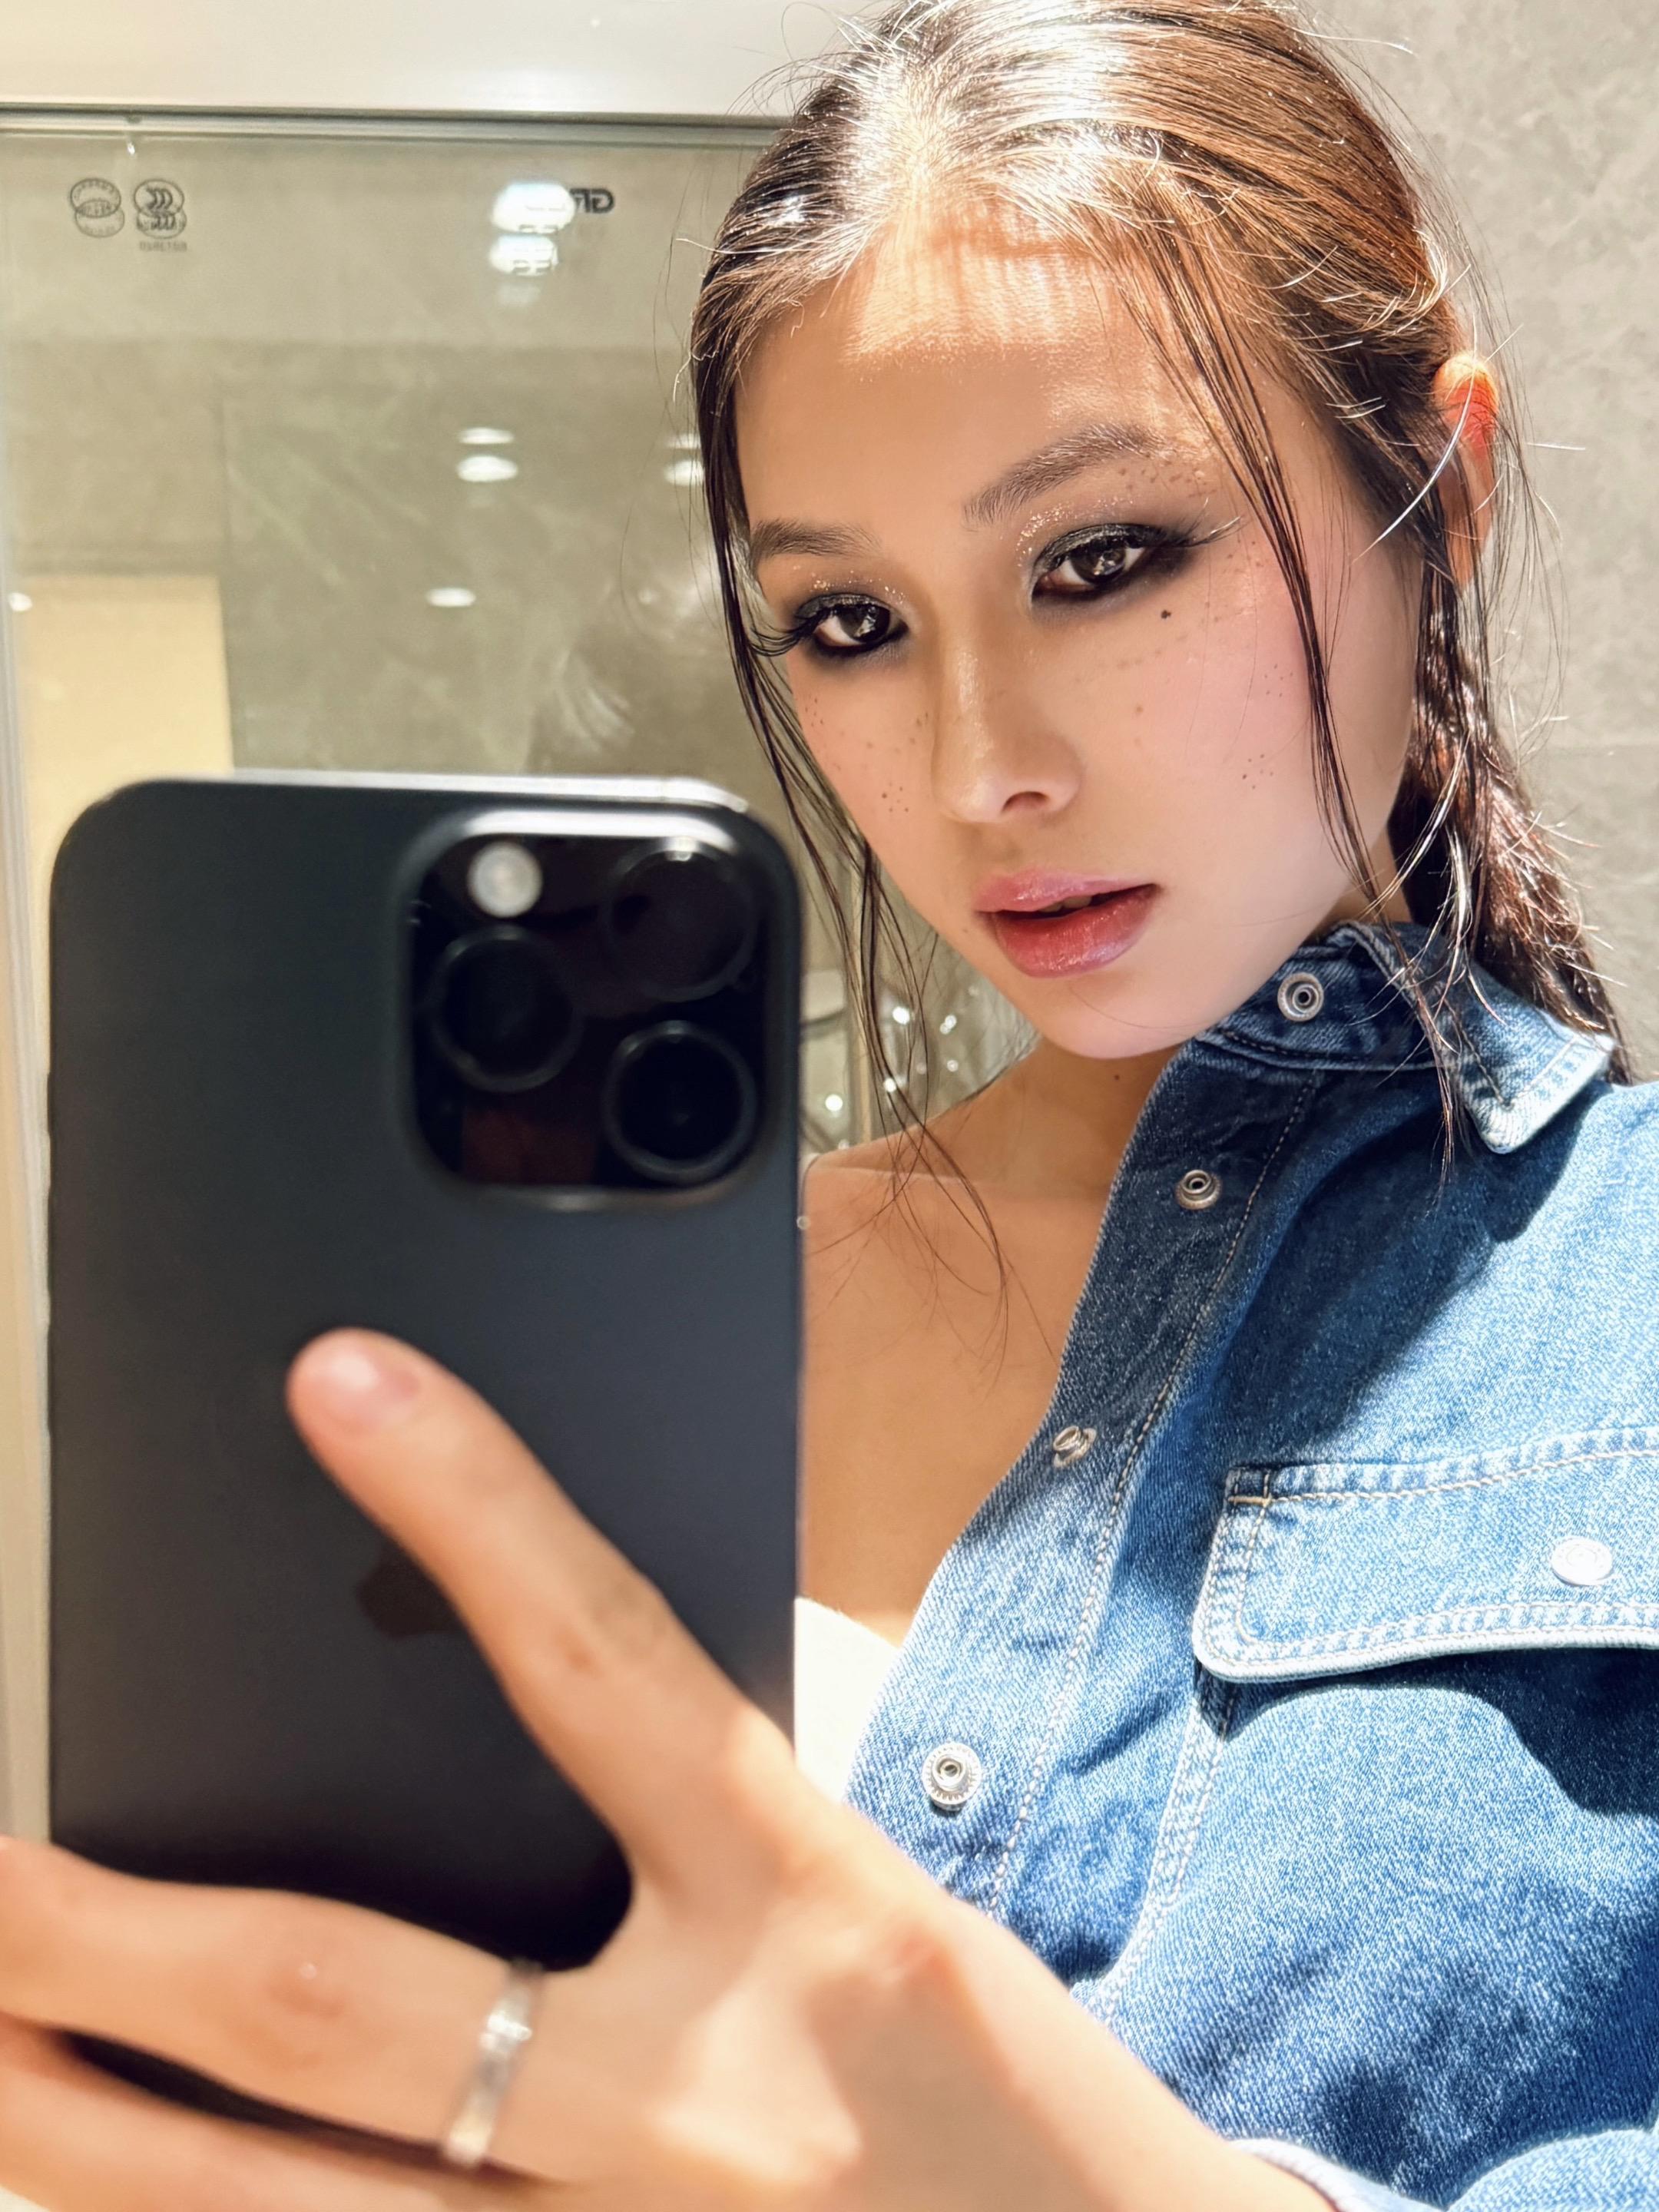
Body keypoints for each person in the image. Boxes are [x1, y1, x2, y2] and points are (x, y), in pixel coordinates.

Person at [0, 3, 1654, 2207]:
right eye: (851, 622)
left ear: (1438, 494)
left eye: (1102, 559)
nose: (980, 770)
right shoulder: (650, 1310)